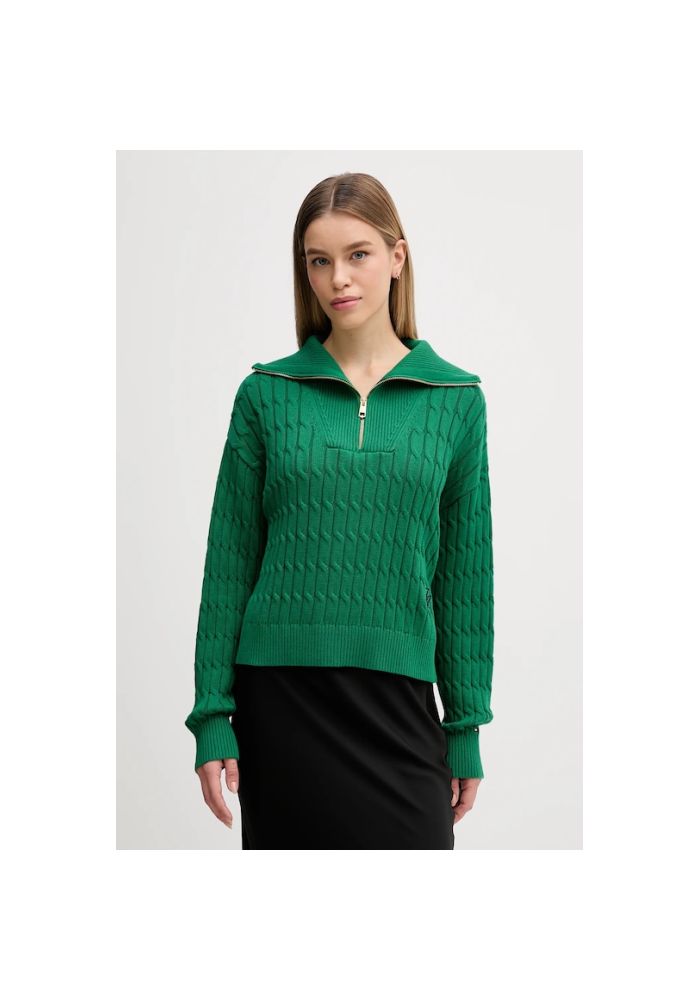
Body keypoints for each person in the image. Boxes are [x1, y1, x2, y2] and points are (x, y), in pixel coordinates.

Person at [185, 171, 495, 849]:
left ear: (397, 256)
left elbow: (464, 577)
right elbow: (229, 562)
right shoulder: (266, 394)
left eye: (358, 254)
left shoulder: (456, 400)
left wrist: (465, 727)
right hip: (281, 706)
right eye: (318, 261)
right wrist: (212, 716)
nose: (338, 279)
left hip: (399, 706)